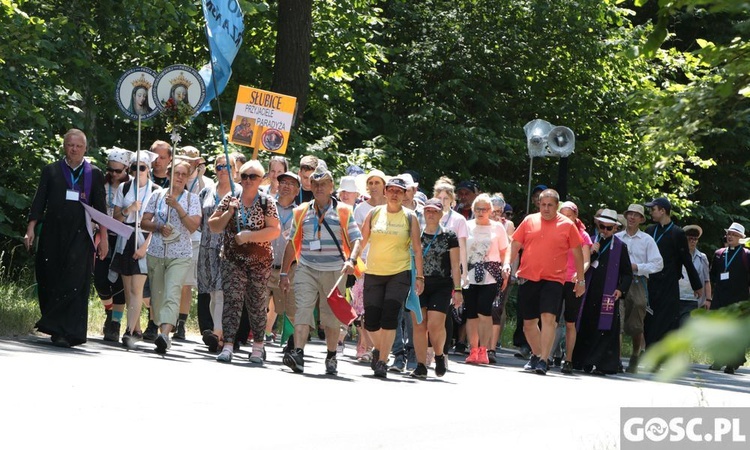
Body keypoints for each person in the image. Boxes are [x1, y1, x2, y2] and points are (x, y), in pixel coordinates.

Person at [25, 129, 109, 347]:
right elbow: (39, 201)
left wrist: (104, 238)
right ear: (64, 146)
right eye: (70, 145)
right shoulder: (51, 170)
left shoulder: (94, 174)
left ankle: (68, 330)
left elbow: (101, 210)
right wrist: (31, 228)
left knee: (74, 281)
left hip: (81, 235)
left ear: (85, 148)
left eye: (78, 146)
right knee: (49, 276)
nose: (74, 149)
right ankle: (55, 327)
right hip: (53, 232)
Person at [279, 167, 362, 374]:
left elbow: (357, 239)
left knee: (331, 317)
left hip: (335, 270)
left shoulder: (343, 211)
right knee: (303, 310)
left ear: (331, 187)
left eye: (323, 184)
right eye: (315, 184)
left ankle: (332, 355)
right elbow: (291, 243)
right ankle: (298, 353)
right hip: (306, 267)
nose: (318, 188)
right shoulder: (302, 211)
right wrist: (283, 272)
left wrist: (351, 260)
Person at [503, 189, 585, 375]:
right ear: (538, 205)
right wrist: (507, 263)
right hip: (529, 277)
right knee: (528, 323)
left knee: (548, 319)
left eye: (550, 205)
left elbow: (578, 253)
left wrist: (581, 279)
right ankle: (537, 353)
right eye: (543, 205)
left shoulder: (567, 225)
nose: (546, 208)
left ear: (557, 206)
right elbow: (514, 244)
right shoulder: (529, 220)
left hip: (554, 279)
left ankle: (543, 360)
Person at [209, 160, 280, 364]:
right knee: (232, 301)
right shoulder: (231, 198)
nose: (248, 180)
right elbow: (213, 225)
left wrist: (249, 236)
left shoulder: (266, 201)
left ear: (261, 179)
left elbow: (274, 230)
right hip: (232, 260)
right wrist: (229, 212)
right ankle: (228, 344)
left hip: (259, 262)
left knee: (257, 304)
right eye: (245, 176)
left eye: (253, 176)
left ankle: (258, 346)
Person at [359, 176, 424, 378]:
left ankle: (382, 362)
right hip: (373, 271)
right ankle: (381, 350)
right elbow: (361, 241)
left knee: (389, 318)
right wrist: (352, 260)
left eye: (399, 191)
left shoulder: (410, 217)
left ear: (405, 194)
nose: (395, 194)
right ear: (386, 192)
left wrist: (420, 277)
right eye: (392, 190)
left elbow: (417, 248)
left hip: (399, 272)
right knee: (370, 321)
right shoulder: (374, 212)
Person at [141, 159, 201, 354]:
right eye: (177, 174)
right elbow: (144, 222)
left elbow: (193, 227)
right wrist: (158, 227)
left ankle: (165, 334)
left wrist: (177, 207)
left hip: (180, 254)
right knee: (157, 297)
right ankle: (161, 326)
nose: (180, 178)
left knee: (172, 292)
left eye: (184, 174)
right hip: (157, 252)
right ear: (169, 175)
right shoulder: (157, 195)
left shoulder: (192, 199)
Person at [572, 209, 632, 375]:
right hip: (588, 292)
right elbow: (580, 265)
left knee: (605, 329)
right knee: (585, 326)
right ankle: (581, 361)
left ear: (615, 229)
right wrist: (591, 252)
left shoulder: (620, 247)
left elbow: (627, 273)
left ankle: (601, 363)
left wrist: (621, 289)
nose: (604, 231)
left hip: (608, 294)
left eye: (608, 228)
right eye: (601, 227)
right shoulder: (590, 242)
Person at [111, 150, 159, 347]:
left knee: (137, 289)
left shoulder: (155, 190)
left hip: (145, 238)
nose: (137, 171)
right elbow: (116, 218)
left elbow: (157, 222)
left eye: (142, 167)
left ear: (148, 169)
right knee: (129, 289)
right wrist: (128, 209)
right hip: (126, 236)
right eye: (134, 167)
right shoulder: (124, 188)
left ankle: (129, 331)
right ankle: (136, 328)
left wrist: (145, 247)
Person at [409, 198, 461, 378]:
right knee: (419, 325)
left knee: (434, 324)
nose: (430, 214)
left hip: (441, 285)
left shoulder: (449, 236)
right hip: (418, 283)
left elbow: (455, 265)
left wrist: (458, 289)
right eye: (428, 211)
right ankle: (421, 364)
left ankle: (439, 355)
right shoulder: (416, 235)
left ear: (441, 214)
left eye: (434, 211)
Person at [643, 197, 702, 347]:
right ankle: (649, 350)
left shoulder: (677, 233)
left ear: (663, 211)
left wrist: (697, 285)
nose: (650, 212)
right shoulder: (650, 230)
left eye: (653, 209)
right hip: (650, 282)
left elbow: (686, 260)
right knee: (649, 319)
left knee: (665, 320)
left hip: (668, 284)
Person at [614, 204, 663, 373]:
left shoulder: (647, 240)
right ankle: (617, 360)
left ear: (642, 219)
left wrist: (638, 267)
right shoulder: (617, 237)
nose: (632, 217)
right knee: (616, 318)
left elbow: (658, 264)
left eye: (636, 215)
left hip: (638, 282)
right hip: (619, 281)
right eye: (629, 214)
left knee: (636, 323)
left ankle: (635, 354)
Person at [173, 146, 214, 341]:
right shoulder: (175, 177)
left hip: (195, 238)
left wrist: (198, 177)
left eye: (192, 161)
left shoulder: (206, 183)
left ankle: (181, 322)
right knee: (172, 281)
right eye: (183, 160)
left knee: (187, 283)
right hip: (173, 234)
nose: (187, 164)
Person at [196, 153, 235, 352]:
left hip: (227, 249)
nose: (223, 170)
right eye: (219, 167)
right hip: (206, 247)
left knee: (221, 292)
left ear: (234, 170)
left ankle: (218, 333)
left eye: (227, 166)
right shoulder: (206, 192)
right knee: (211, 293)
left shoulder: (238, 192)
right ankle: (215, 331)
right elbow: (199, 221)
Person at [463, 194, 509, 364]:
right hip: (469, 274)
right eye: (477, 209)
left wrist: (506, 266)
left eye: (484, 209)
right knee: (471, 313)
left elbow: (506, 250)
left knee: (484, 311)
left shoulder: (498, 228)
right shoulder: (466, 226)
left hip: (490, 275)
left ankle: (484, 349)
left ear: (490, 211)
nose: (480, 212)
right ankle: (473, 349)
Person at [96, 147, 131, 342]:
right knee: (100, 279)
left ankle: (115, 323)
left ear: (126, 169)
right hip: (102, 235)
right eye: (110, 170)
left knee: (118, 282)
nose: (114, 174)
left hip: (123, 236)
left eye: (118, 171)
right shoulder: (101, 184)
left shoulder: (131, 187)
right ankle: (109, 311)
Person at [708, 222, 750, 374]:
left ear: (741, 238)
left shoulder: (747, 255)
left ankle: (732, 362)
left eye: (735, 234)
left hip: (739, 300)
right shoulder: (719, 254)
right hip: (720, 298)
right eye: (729, 233)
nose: (730, 236)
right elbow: (712, 276)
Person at [555, 201, 592, 374]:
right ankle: (544, 355)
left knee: (570, 322)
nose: (566, 219)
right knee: (550, 319)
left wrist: (580, 273)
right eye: (563, 215)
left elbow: (586, 260)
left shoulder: (583, 235)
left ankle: (568, 359)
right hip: (554, 279)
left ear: (575, 216)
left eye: (569, 216)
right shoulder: (554, 230)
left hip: (572, 281)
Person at [267, 171, 300, 353]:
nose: (286, 186)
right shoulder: (268, 206)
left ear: (297, 190)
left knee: (292, 308)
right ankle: (257, 341)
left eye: (291, 183)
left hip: (290, 268)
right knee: (258, 305)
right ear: (277, 186)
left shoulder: (300, 212)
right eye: (283, 182)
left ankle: (292, 344)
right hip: (265, 265)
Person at [678, 225, 711, 325]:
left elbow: (707, 280)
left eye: (695, 239)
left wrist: (708, 299)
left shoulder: (702, 257)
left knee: (686, 327)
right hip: (677, 296)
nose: (693, 241)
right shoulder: (677, 255)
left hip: (693, 299)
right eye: (690, 238)